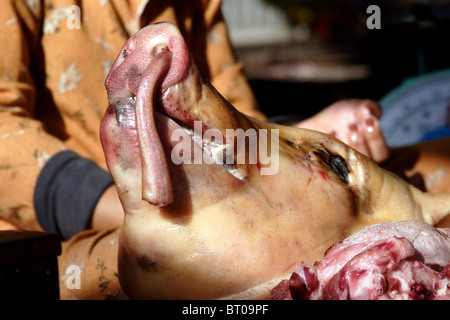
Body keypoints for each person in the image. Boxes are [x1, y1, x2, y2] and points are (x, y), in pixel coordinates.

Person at [0, 0, 398, 299]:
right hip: (40, 242)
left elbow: (236, 120)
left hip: (202, 209)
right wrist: (129, 209)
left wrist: (306, 139)